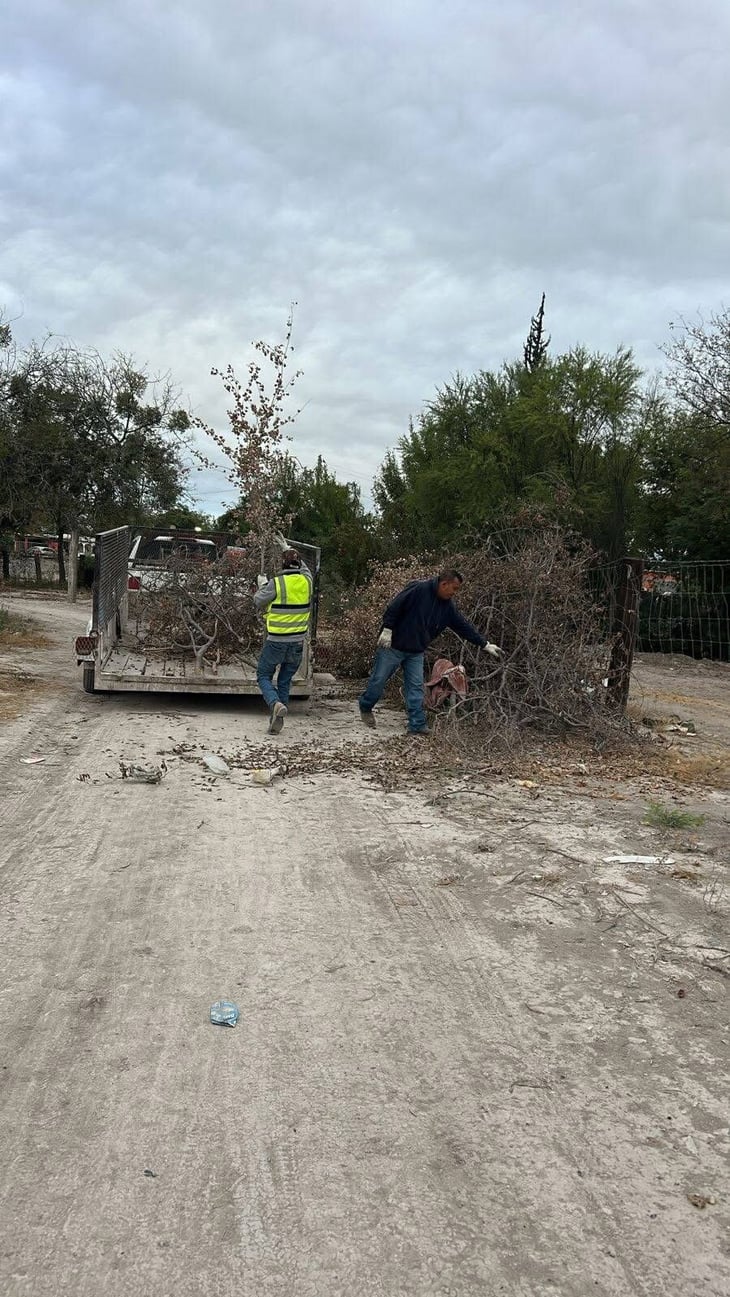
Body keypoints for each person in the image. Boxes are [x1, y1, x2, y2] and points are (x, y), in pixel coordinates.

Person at [357, 567, 503, 735]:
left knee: (416, 688)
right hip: (393, 646)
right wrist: (388, 629)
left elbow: (462, 626)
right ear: (444, 584)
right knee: (378, 680)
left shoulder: (447, 607)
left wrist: (484, 644)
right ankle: (366, 706)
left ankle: (417, 725)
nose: (455, 593)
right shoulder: (419, 589)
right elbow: (395, 605)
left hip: (416, 651)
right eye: (454, 588)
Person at [254, 541, 313, 734]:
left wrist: (262, 585)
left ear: (283, 566)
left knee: (263, 675)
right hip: (297, 642)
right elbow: (305, 569)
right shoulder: (307, 581)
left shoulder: (277, 583)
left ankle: (275, 704)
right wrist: (288, 548)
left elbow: (258, 601)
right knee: (285, 680)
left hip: (276, 642)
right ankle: (277, 719)